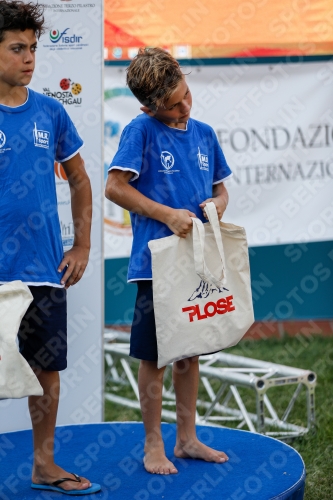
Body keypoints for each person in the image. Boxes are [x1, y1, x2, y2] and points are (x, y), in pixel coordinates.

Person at [105, 47, 232, 475]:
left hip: (196, 264)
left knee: (189, 355)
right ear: (147, 106)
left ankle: (187, 438)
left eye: (186, 96)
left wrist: (216, 205)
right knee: (155, 358)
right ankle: (153, 444)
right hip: (155, 266)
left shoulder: (205, 133)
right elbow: (114, 188)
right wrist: (166, 215)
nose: (184, 108)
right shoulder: (140, 130)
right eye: (173, 105)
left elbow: (222, 191)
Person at [0, 1, 100, 495]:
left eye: (33, 48)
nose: (29, 58)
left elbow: (81, 180)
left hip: (42, 270)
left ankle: (44, 464)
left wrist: (81, 244)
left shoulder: (52, 111)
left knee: (46, 374)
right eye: (17, 48)